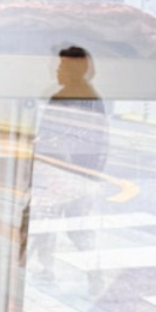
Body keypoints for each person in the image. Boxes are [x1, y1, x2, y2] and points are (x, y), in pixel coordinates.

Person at [30, 46, 109, 279]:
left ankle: (49, 270)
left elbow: (53, 136)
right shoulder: (92, 97)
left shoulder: (65, 97)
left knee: (48, 223)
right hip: (81, 174)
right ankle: (92, 275)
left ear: (76, 69)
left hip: (62, 174)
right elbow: (100, 141)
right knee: (73, 228)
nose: (56, 70)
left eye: (62, 66)